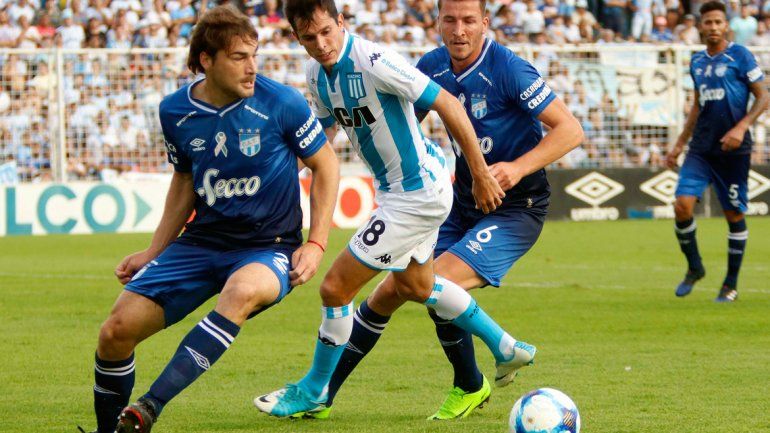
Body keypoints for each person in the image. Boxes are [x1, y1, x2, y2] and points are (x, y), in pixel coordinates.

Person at [253, 0, 538, 419]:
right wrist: (277, 176)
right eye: (309, 37)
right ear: (296, 37)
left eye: (326, 31)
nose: (321, 44)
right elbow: (323, 136)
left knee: (334, 288)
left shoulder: (373, 60)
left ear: (341, 22)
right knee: (418, 287)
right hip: (401, 193)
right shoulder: (316, 74)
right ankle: (506, 346)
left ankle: (314, 390)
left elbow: (450, 105)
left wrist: (478, 174)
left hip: (416, 194)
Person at [314, 0, 584, 421]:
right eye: (450, 20)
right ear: (439, 22)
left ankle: (470, 383)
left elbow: (571, 129)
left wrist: (515, 167)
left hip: (516, 208)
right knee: (387, 293)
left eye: (469, 21)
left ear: (485, 23)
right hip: (458, 203)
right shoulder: (432, 65)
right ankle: (323, 394)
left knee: (432, 285)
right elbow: (400, 123)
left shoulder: (509, 69)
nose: (459, 30)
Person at [82, 5, 340, 433]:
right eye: (240, 57)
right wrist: (154, 251)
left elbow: (327, 165)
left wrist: (315, 243)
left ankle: (148, 408)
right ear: (206, 60)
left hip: (268, 247)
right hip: (200, 242)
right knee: (115, 331)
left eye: (254, 55)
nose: (252, 67)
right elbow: (184, 183)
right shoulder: (174, 112)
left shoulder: (282, 102)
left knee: (239, 293)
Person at [666, 1, 768, 302]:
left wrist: (741, 127)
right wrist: (679, 144)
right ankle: (695, 267)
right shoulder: (697, 62)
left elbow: (764, 97)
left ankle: (730, 284)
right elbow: (698, 105)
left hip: (733, 150)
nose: (712, 27)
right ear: (700, 26)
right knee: (682, 206)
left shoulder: (740, 55)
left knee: (733, 213)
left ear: (726, 26)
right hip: (701, 148)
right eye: (707, 22)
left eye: (717, 22)